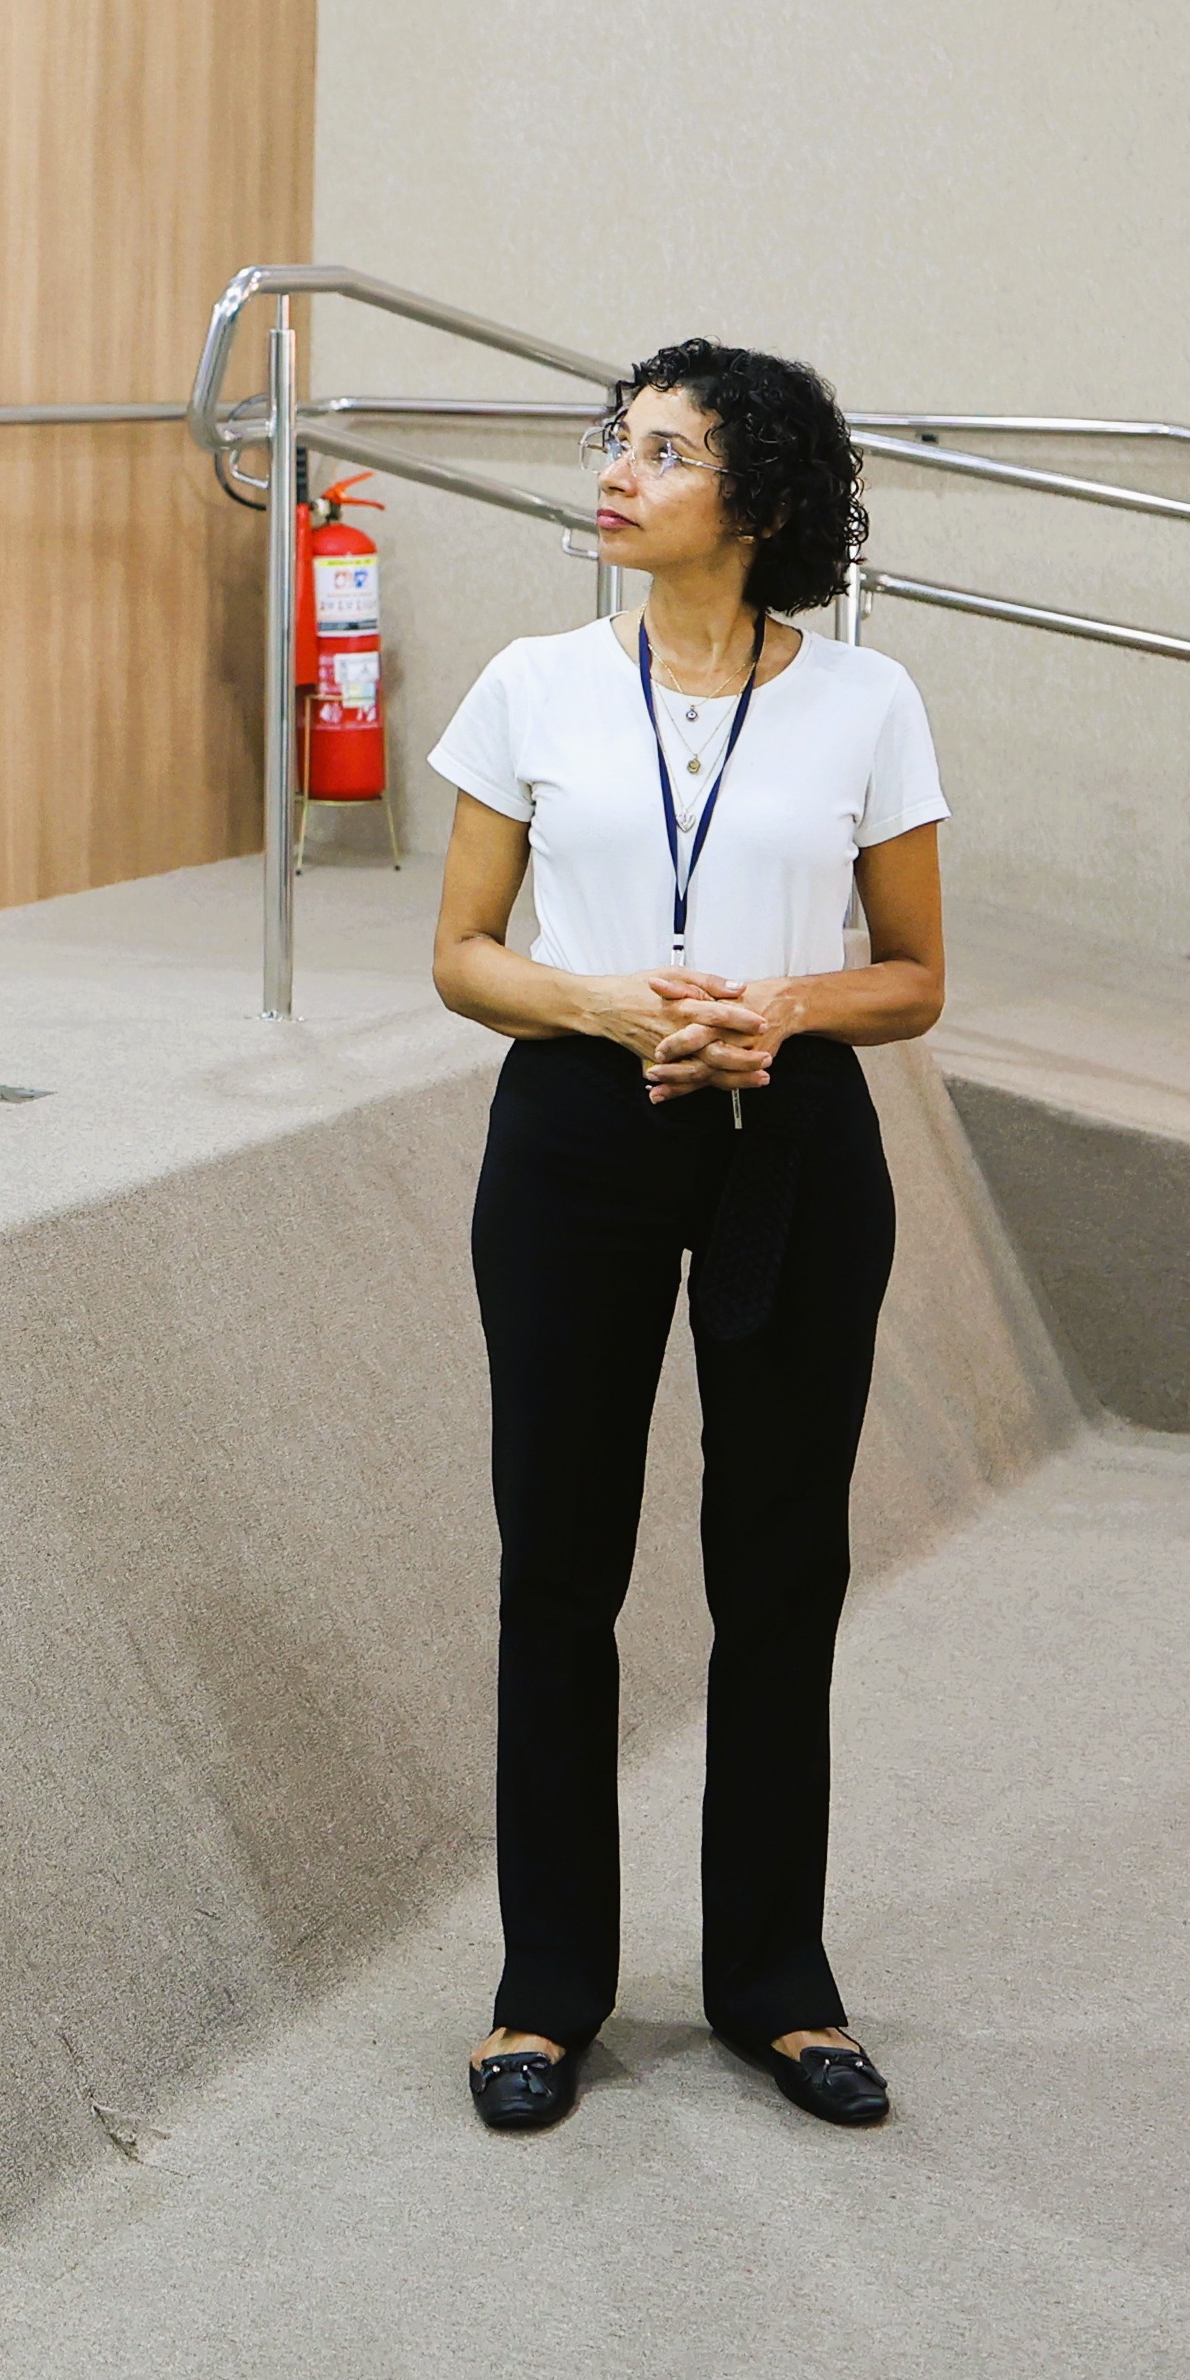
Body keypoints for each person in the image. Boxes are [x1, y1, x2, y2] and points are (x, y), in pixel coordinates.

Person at [424, 340, 942, 2132]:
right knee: (558, 1564)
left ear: (763, 499)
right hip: (579, 1135)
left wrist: (777, 1008)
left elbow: (914, 976)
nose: (620, 473)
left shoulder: (868, 701)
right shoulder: (532, 685)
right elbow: (462, 954)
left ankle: (774, 1985)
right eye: (620, 442)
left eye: (666, 451)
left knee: (782, 1566)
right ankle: (546, 1990)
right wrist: (608, 1005)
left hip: (792, 1144)